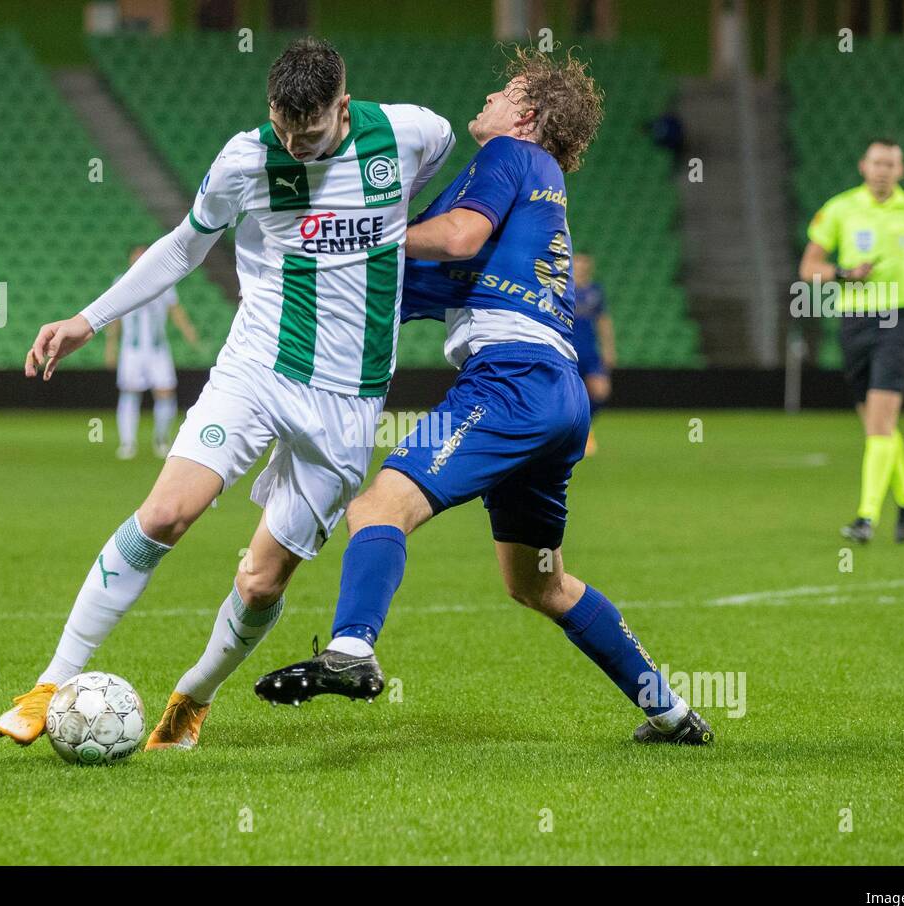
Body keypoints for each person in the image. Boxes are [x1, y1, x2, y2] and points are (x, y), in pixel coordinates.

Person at [0, 37, 454, 750]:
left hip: (350, 403)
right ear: (271, 108)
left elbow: (438, 163)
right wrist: (90, 320)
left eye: (312, 134)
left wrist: (392, 237)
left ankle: (193, 696)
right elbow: (182, 246)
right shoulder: (246, 159)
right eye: (284, 129)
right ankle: (51, 682)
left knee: (261, 582)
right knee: (167, 514)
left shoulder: (410, 132)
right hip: (258, 368)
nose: (296, 146)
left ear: (343, 104)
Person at [255, 48, 713, 745]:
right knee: (539, 584)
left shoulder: (509, 157)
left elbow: (457, 237)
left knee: (380, 505)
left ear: (526, 117)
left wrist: (367, 230)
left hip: (512, 379)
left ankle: (351, 649)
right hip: (556, 395)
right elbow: (416, 284)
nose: (490, 100)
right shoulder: (533, 188)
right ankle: (673, 713)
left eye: (503, 92)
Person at [799, 138, 904, 544]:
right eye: (877, 162)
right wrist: (845, 272)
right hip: (853, 320)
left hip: (898, 318)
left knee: (880, 420)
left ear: (901, 170)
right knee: (875, 423)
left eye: (891, 163)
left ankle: (866, 517)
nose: (883, 169)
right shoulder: (840, 209)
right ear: (863, 166)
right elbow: (809, 267)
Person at [103, 243, 201, 459]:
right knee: (130, 392)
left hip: (158, 349)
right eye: (136, 256)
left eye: (143, 255)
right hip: (132, 349)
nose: (139, 260)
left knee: (165, 391)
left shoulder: (164, 281)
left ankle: (161, 439)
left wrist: (189, 332)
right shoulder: (121, 282)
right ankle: (127, 443)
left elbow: (176, 311)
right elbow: (114, 317)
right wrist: (111, 345)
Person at [571, 252, 615, 455]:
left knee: (600, 390)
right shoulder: (562, 289)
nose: (580, 266)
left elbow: (603, 320)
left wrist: (608, 349)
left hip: (589, 350)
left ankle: (585, 426)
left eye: (584, 263)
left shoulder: (595, 291)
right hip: (567, 351)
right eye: (577, 262)